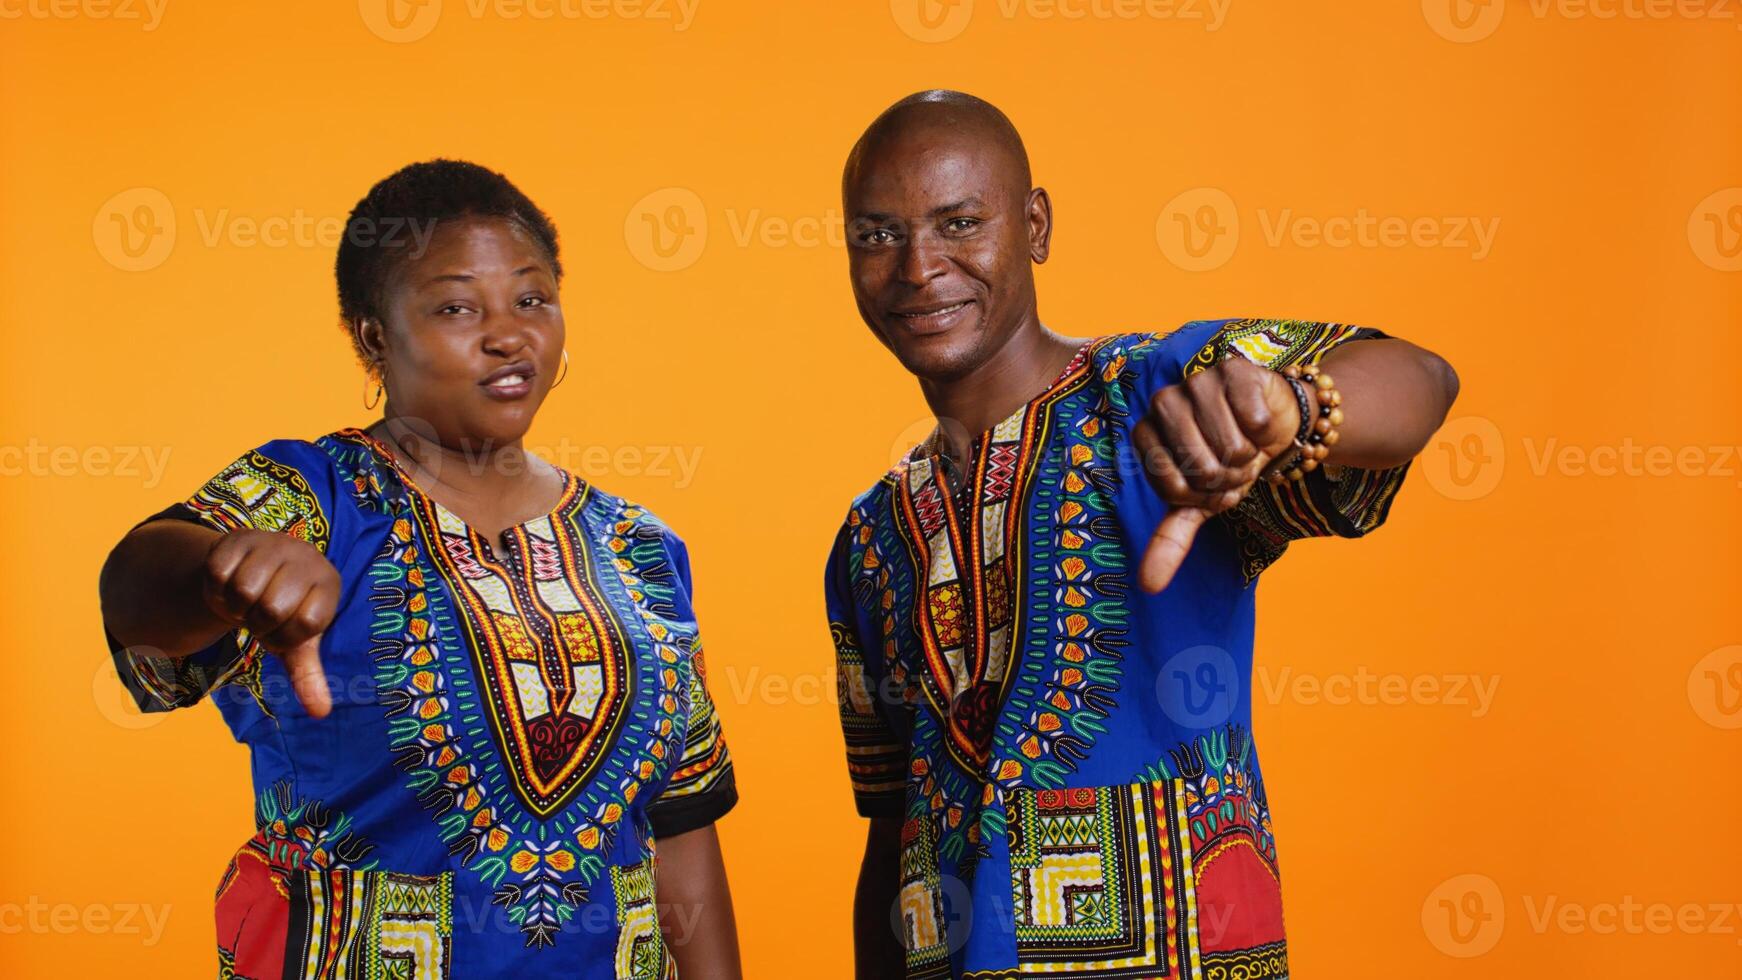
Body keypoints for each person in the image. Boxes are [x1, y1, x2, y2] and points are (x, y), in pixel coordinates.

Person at [826, 91, 1459, 978]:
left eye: (960, 222)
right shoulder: (869, 539)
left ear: (1036, 225)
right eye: (879, 235)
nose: (920, 267)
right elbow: (892, 832)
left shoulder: (1156, 399)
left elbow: (1420, 378)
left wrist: (1291, 405)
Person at [99, 160, 741, 979]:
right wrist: (219, 568)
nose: (508, 333)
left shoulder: (639, 544)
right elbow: (137, 588)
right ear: (375, 335)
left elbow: (682, 826)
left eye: (532, 298)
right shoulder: (314, 497)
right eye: (456, 307)